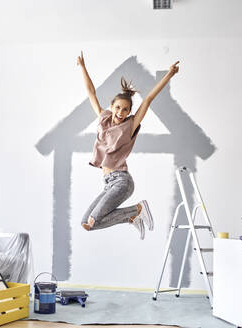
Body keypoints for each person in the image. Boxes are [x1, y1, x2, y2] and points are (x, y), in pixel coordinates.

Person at [77, 51, 180, 240]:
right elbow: (91, 92)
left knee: (93, 219)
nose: (121, 112)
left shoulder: (129, 125)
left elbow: (148, 99)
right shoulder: (104, 118)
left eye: (125, 109)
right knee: (87, 224)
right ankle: (133, 216)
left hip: (122, 181)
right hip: (108, 183)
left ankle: (138, 209)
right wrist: (83, 67)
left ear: (129, 111)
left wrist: (169, 74)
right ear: (112, 106)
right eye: (117, 107)